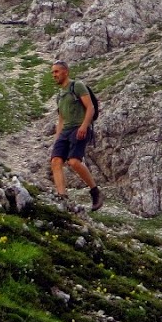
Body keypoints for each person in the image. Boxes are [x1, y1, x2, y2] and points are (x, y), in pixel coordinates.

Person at [48, 60, 101, 210]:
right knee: (55, 161)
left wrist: (84, 126)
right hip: (65, 131)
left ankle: (95, 192)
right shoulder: (60, 94)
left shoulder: (77, 86)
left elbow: (90, 107)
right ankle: (62, 196)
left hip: (79, 128)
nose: (54, 75)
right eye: (52, 72)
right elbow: (61, 118)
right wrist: (57, 137)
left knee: (74, 162)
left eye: (56, 72)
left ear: (66, 72)